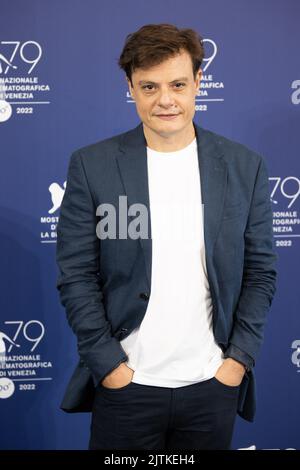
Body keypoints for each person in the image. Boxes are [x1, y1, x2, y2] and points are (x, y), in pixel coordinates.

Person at [56, 23, 277, 450]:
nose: (165, 100)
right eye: (149, 86)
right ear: (131, 87)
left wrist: (236, 362)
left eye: (178, 84)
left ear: (198, 82)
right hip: (126, 388)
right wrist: (110, 366)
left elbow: (261, 272)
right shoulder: (92, 166)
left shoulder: (243, 166)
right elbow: (76, 274)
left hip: (211, 386)